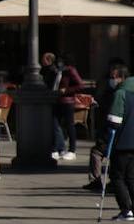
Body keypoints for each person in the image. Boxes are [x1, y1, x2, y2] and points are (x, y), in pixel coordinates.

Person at [87, 61, 127, 192]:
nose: (112, 79)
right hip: (115, 130)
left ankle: (98, 180)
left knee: (97, 152)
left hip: (114, 130)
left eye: (114, 77)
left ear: (122, 77)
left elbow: (112, 112)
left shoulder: (120, 93)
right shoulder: (114, 91)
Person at [47, 52, 84, 161]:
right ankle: (55, 149)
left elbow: (80, 85)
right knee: (54, 124)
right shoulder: (58, 71)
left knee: (69, 125)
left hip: (67, 101)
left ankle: (72, 150)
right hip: (57, 100)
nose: (59, 62)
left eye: (61, 60)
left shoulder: (70, 70)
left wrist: (67, 90)